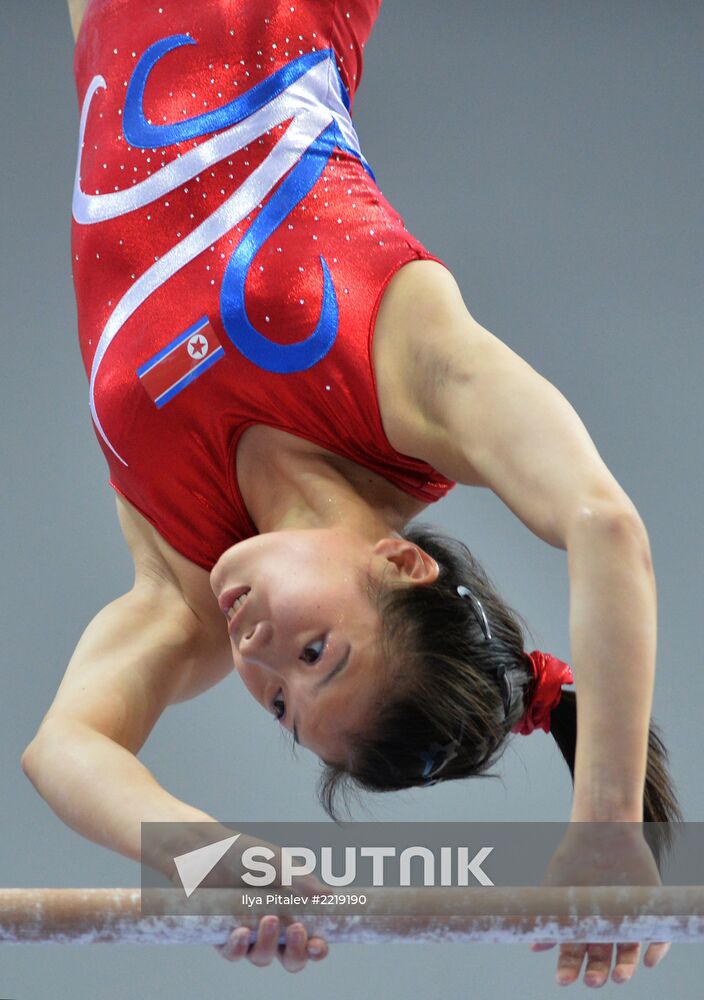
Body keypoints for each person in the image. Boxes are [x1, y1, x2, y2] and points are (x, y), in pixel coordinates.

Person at [24, 0, 680, 984]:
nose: (257, 659)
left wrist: (218, 862)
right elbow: (601, 524)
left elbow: (64, 747)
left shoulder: (182, 576)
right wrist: (602, 821)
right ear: (401, 561)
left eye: (282, 706)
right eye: (316, 654)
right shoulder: (412, 384)